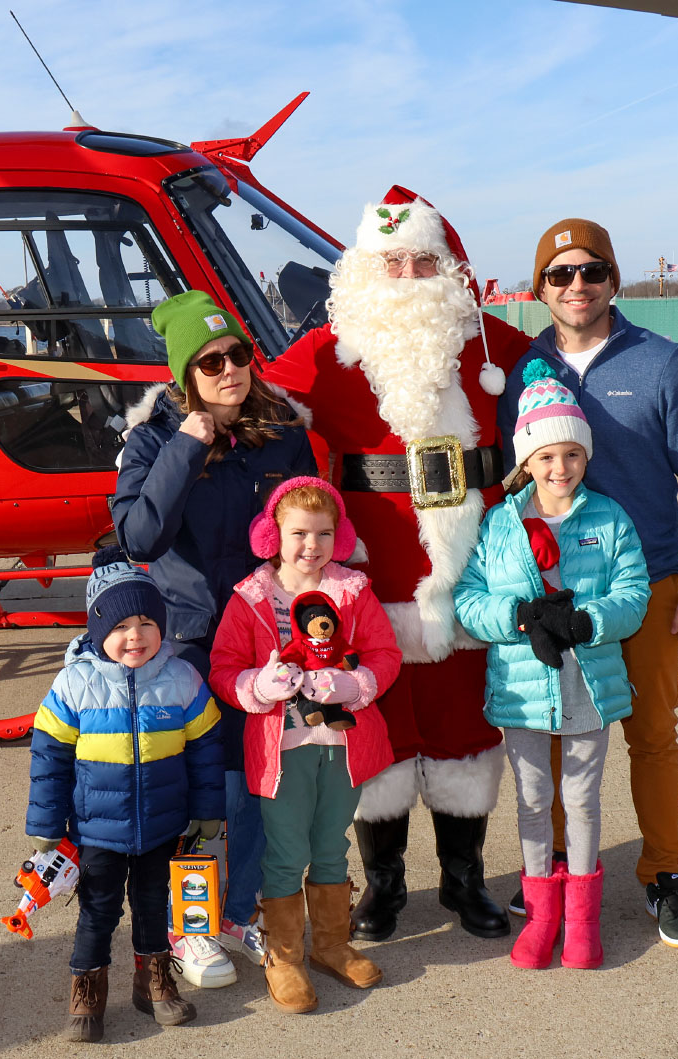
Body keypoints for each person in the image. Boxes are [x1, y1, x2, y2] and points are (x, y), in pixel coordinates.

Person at [264, 191, 531, 942]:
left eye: (421, 261)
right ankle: (383, 888)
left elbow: (560, 399)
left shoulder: (492, 342)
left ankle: (463, 881)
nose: (407, 276)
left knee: (462, 731)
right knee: (372, 733)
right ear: (363, 270)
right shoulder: (327, 349)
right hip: (368, 583)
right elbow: (249, 401)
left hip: (467, 580)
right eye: (391, 262)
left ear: (449, 268)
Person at [500, 219, 678, 948]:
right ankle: (555, 866)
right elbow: (509, 481)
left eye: (591, 270)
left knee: (653, 735)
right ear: (540, 288)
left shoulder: (662, 363)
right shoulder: (523, 370)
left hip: (647, 586)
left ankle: (664, 871)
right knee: (555, 735)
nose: (577, 285)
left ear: (612, 279)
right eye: (560, 273)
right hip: (554, 595)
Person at [113, 290, 316, 986]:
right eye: (210, 362)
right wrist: (186, 446)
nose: (230, 369)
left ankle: (236, 911)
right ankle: (187, 927)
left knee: (259, 786)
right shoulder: (153, 440)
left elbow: (311, 526)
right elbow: (140, 537)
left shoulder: (283, 432)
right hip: (195, 643)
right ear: (184, 375)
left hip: (269, 638)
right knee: (205, 792)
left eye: (238, 353)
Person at [455, 362, 650, 969]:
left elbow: (634, 592)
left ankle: (583, 922)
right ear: (527, 461)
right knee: (533, 797)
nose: (559, 468)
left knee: (583, 798)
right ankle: (542, 917)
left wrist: (588, 621)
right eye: (545, 456)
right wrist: (517, 615)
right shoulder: (500, 524)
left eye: (571, 454)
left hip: (587, 680)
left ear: (586, 455)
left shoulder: (609, 518)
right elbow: (469, 599)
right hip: (522, 685)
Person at [209, 478, 401, 1013]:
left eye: (323, 534)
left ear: (339, 538)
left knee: (331, 845)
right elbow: (223, 667)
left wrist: (352, 685)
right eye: (298, 533)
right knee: (287, 852)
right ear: (273, 536)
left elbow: (384, 654)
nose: (311, 546)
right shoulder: (251, 599)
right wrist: (258, 685)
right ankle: (285, 956)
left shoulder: (353, 592)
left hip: (342, 746)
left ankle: (332, 945)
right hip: (283, 751)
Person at [25, 548, 226, 1042]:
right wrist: (46, 825)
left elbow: (205, 748)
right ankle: (87, 989)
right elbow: (49, 757)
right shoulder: (74, 684)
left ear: (161, 626)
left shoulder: (182, 679)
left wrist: (207, 809)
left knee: (154, 905)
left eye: (145, 623)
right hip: (96, 830)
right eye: (119, 626)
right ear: (97, 631)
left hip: (162, 823)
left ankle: (152, 981)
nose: (135, 636)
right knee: (98, 910)